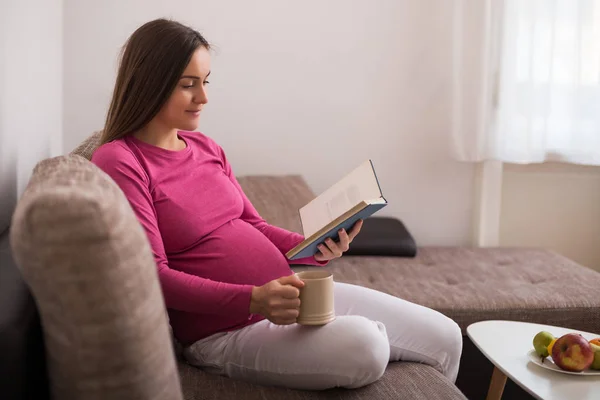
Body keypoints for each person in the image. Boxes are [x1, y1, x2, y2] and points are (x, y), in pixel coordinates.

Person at [91, 18, 462, 391]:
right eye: (188, 85)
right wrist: (254, 300)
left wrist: (316, 247)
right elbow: (154, 276)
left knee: (446, 335)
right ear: (149, 82)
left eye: (205, 82)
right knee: (367, 346)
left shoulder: (206, 148)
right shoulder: (121, 160)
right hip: (224, 333)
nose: (203, 98)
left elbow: (255, 226)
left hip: (291, 293)